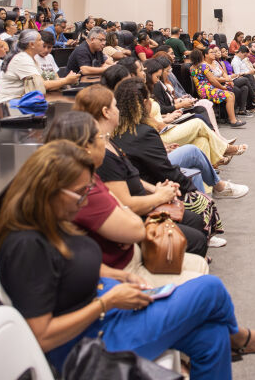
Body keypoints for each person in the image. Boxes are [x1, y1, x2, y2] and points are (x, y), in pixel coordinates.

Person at [0, 140, 255, 375]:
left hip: (109, 314)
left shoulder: (55, 223)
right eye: (81, 193)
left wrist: (116, 275)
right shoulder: (26, 247)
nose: (85, 200)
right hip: (92, 342)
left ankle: (230, 338)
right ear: (50, 190)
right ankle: (240, 337)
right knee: (211, 289)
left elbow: (71, 267)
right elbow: (41, 336)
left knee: (211, 338)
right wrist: (106, 302)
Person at [42, 110, 211, 285]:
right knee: (206, 279)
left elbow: (125, 201)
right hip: (127, 268)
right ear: (87, 148)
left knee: (198, 257)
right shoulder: (87, 190)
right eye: (100, 137)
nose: (104, 142)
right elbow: (134, 224)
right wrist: (153, 199)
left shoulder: (90, 176)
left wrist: (153, 194)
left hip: (127, 256)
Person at [74, 85, 214, 255]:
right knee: (197, 239)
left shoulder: (109, 141)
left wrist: (156, 189)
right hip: (138, 214)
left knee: (195, 221)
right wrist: (159, 197)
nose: (118, 110)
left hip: (144, 198)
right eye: (115, 106)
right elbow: (126, 203)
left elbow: (130, 175)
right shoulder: (102, 153)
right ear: (106, 112)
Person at [190, 49, 246, 128]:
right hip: (208, 90)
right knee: (230, 95)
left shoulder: (191, 68)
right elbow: (212, 80)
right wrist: (222, 87)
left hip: (201, 91)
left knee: (231, 94)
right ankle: (233, 121)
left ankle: (230, 118)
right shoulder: (204, 66)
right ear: (201, 57)